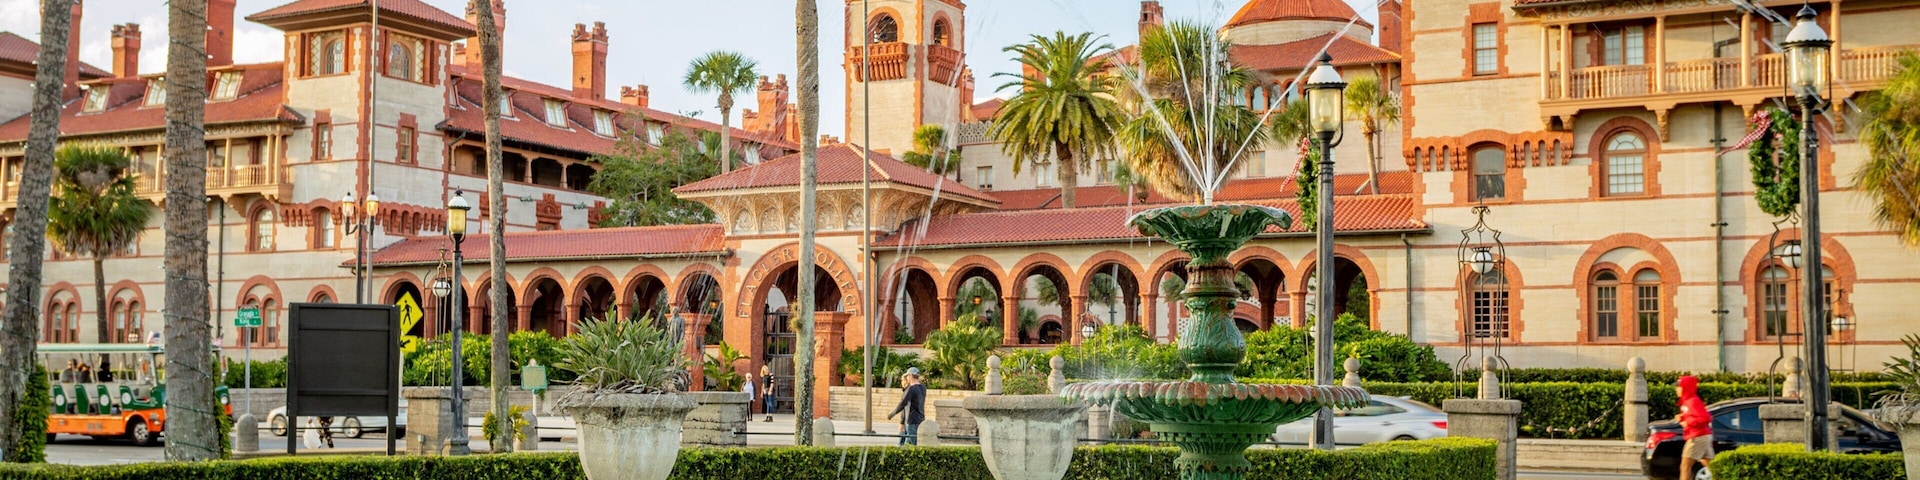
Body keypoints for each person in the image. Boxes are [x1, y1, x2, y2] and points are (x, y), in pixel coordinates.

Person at [1676, 375, 1714, 479]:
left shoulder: (1693, 401)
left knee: (1685, 466)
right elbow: (1693, 415)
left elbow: (1705, 418)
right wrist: (1683, 418)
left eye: (1679, 386)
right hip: (1702, 436)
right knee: (1713, 467)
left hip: (1697, 437)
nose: (1677, 389)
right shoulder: (1687, 401)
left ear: (1686, 387)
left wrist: (1688, 422)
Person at [886, 367, 927, 446]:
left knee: (911, 444)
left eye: (907, 376)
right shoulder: (923, 388)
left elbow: (903, 404)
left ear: (911, 376)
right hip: (921, 419)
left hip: (911, 420)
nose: (907, 378)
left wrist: (891, 414)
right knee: (914, 442)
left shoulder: (911, 389)